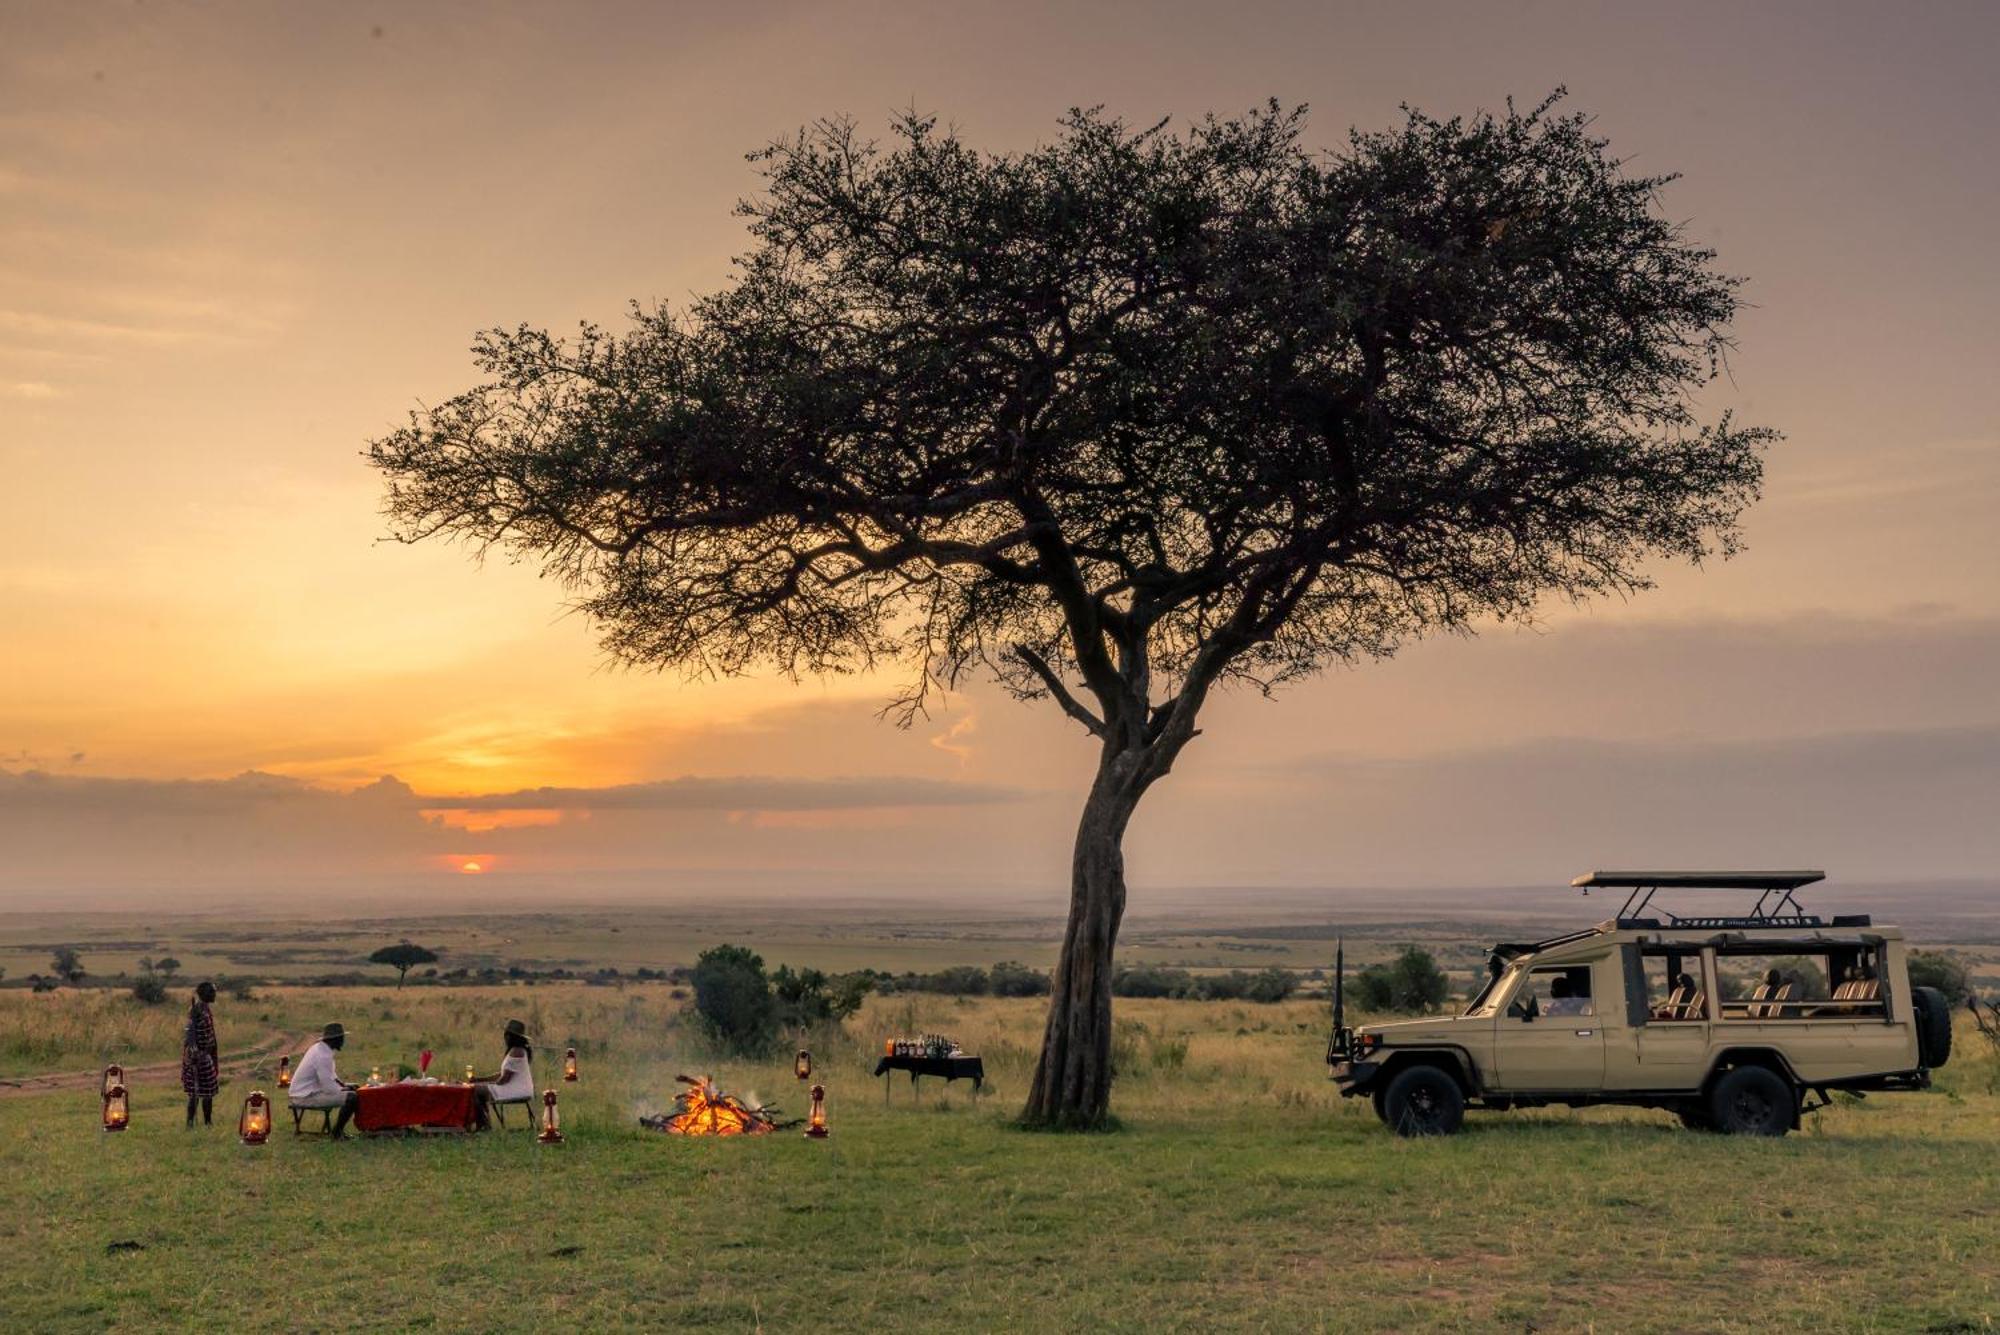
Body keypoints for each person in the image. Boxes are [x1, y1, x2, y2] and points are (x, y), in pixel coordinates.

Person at [289, 1022, 361, 1138]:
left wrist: (346, 1086)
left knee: (356, 1090)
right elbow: (329, 1088)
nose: (343, 1041)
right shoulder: (323, 1056)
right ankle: (337, 1133)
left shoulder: (321, 1049)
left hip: (308, 1092)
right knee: (352, 1098)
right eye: (341, 1038)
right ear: (334, 1039)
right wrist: (345, 1090)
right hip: (304, 1097)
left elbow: (331, 1078)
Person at [471, 1018, 535, 1130]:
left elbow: (504, 1080)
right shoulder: (516, 1050)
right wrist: (479, 1080)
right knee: (477, 1089)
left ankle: (484, 1124)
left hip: (515, 1089)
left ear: (509, 1036)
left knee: (474, 1090)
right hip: (512, 1087)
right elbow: (501, 1074)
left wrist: (487, 1084)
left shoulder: (517, 1052)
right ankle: (484, 1123)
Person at [180, 980, 221, 1127]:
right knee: (195, 1094)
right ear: (204, 994)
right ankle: (191, 1123)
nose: (215, 994)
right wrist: (194, 1052)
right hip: (198, 1057)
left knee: (207, 1093)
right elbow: (190, 1033)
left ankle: (207, 1122)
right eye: (212, 992)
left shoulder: (205, 1009)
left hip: (206, 1055)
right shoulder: (196, 1010)